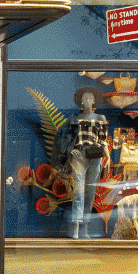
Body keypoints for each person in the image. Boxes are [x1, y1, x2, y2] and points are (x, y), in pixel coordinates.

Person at [56, 88, 109, 239]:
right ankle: (76, 228)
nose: (87, 100)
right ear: (81, 101)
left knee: (90, 193)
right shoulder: (74, 118)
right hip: (79, 155)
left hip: (95, 155)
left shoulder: (100, 118)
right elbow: (64, 138)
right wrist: (69, 151)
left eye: (90, 98)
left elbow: (103, 140)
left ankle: (85, 229)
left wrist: (108, 158)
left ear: (94, 101)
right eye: (85, 98)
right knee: (78, 192)